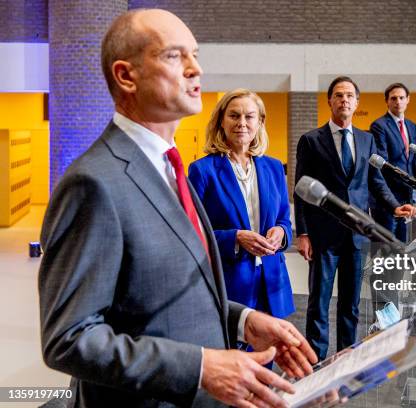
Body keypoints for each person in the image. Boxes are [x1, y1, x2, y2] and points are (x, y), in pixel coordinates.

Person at [38, 9, 316, 408]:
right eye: (174, 56)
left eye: (196, 55)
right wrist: (200, 367)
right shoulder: (94, 183)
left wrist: (241, 320)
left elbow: (170, 294)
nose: (195, 69)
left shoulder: (171, 169)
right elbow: (69, 339)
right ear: (126, 75)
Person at [294, 76, 416, 360]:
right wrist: (303, 233)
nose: (344, 100)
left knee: (351, 304)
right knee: (319, 303)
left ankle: (347, 358)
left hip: (357, 233)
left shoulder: (367, 139)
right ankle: (316, 360)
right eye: (338, 95)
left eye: (350, 95)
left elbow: (376, 181)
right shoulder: (311, 140)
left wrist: (395, 205)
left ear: (357, 102)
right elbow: (300, 189)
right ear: (330, 101)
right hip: (323, 234)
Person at [188, 89, 294, 337]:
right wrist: (235, 237)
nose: (242, 123)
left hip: (271, 282)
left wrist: (281, 233)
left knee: (267, 362)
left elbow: (283, 219)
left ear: (260, 122)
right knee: (235, 365)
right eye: (234, 116)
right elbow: (190, 231)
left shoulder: (274, 167)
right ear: (221, 121)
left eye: (249, 116)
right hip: (228, 281)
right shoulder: (202, 171)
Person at [369, 83, 416, 242]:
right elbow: (383, 163)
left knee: (404, 243)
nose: (398, 101)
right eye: (393, 98)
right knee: (385, 246)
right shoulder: (379, 125)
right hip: (388, 196)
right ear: (387, 101)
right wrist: (410, 181)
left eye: (402, 98)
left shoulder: (411, 126)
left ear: (408, 99)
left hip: (408, 196)